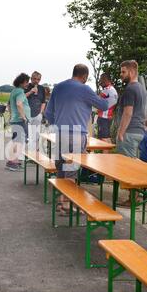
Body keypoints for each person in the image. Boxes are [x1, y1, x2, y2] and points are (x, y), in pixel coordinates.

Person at [45, 64, 109, 215]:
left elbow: (48, 113)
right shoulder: (84, 89)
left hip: (60, 133)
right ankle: (67, 206)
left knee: (61, 168)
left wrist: (59, 123)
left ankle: (61, 203)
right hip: (76, 134)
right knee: (71, 170)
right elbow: (104, 105)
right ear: (85, 77)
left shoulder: (59, 87)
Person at [116, 60, 147, 158]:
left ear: (132, 72)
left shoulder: (130, 89)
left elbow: (128, 113)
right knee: (133, 167)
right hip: (139, 133)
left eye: (123, 72)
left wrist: (121, 133)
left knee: (124, 167)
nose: (121, 74)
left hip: (129, 132)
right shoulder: (142, 89)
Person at [5, 73, 31, 171]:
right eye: (26, 82)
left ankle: (12, 161)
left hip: (15, 119)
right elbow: (19, 104)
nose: (27, 84)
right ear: (21, 82)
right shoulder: (20, 91)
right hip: (20, 120)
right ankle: (13, 162)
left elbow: (9, 104)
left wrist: (12, 115)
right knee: (18, 141)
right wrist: (23, 116)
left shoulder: (14, 91)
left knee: (16, 140)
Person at [24, 71, 46, 150]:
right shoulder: (26, 87)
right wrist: (31, 91)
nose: (36, 81)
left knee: (36, 136)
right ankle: (24, 154)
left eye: (38, 79)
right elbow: (21, 98)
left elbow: (43, 102)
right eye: (35, 79)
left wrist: (41, 112)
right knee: (27, 136)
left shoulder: (41, 88)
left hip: (37, 115)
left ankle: (33, 153)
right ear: (31, 78)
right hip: (27, 115)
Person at [96, 73, 118, 143]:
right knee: (107, 137)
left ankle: (106, 154)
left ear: (105, 80)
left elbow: (96, 100)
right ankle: (107, 153)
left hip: (103, 117)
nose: (100, 81)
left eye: (101, 79)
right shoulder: (113, 89)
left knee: (104, 139)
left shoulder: (107, 90)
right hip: (108, 117)